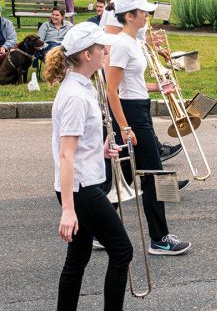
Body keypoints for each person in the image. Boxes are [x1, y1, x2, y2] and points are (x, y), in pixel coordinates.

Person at [43, 22, 132, 310]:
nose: (106, 50)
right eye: (100, 48)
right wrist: (68, 210)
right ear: (86, 54)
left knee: (78, 258)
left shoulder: (83, 87)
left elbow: (79, 146)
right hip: (81, 189)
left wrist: (100, 150)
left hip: (83, 183)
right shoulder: (75, 96)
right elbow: (66, 154)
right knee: (122, 250)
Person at [107, 0, 191, 256]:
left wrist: (157, 87)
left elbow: (133, 83)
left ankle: (100, 230)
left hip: (138, 108)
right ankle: (159, 238)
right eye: (142, 12)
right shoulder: (122, 44)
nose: (147, 15)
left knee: (132, 176)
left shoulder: (133, 42)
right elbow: (112, 90)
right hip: (131, 114)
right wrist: (124, 126)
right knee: (155, 175)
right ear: (129, 16)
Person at [102, 0, 188, 190]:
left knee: (133, 151)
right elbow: (112, 46)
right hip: (125, 89)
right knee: (132, 147)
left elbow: (132, 40)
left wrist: (150, 47)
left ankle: (113, 192)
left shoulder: (132, 10)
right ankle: (111, 193)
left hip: (134, 88)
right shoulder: (120, 7)